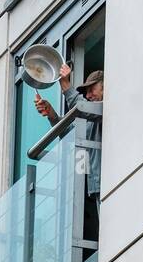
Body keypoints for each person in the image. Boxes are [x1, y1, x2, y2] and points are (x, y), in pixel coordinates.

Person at [35, 64, 103, 241]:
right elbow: (72, 136)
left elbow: (82, 107)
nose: (88, 95)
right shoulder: (93, 118)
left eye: (91, 89)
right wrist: (52, 115)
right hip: (98, 186)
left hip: (112, 181)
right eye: (86, 92)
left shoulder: (109, 107)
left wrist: (66, 85)